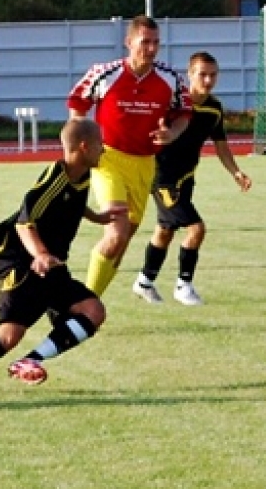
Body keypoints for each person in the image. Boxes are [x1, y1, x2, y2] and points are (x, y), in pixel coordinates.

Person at [0, 118, 126, 399]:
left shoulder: (81, 174)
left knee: (93, 311)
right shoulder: (54, 178)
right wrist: (40, 254)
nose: (103, 149)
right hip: (20, 259)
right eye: (99, 144)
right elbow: (24, 222)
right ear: (83, 147)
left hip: (49, 262)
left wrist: (98, 217)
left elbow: (72, 204)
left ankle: (30, 361)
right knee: (9, 336)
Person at [68, 15, 191, 297]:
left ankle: (90, 305)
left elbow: (184, 114)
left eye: (156, 43)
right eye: (145, 42)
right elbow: (77, 105)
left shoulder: (170, 78)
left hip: (145, 164)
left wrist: (171, 133)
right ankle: (82, 305)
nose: (151, 48)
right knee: (116, 235)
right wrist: (80, 145)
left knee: (122, 243)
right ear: (128, 42)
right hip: (108, 160)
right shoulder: (105, 72)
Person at [132, 52, 253, 306]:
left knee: (165, 231)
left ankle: (144, 281)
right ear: (190, 75)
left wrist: (236, 172)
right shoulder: (172, 103)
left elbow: (221, 146)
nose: (208, 80)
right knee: (197, 229)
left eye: (213, 75)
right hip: (161, 177)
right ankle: (183, 286)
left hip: (186, 178)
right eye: (202, 74)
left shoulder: (214, 108)